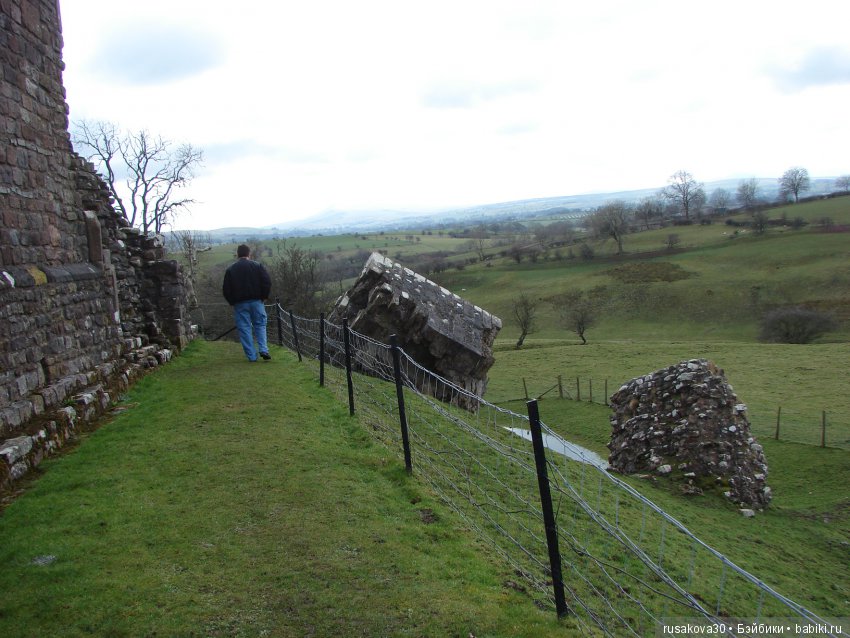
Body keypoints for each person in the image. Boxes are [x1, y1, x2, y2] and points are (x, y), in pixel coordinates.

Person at [222, 244, 272, 362]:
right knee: (260, 325)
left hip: (240, 303)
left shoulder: (231, 270)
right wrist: (264, 296)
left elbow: (226, 289)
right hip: (256, 301)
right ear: (249, 254)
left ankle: (252, 356)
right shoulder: (257, 266)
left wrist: (232, 301)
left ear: (237, 254)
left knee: (244, 328)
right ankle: (263, 349)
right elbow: (267, 282)